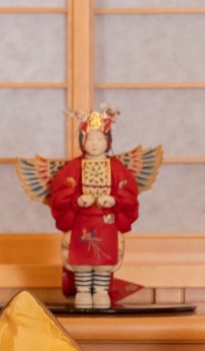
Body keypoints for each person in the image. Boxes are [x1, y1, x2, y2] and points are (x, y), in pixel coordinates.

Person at [49, 105, 140, 309]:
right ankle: (82, 291)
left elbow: (129, 192)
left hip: (106, 221)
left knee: (104, 261)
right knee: (81, 260)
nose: (95, 143)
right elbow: (59, 191)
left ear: (108, 141)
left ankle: (100, 292)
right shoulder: (72, 168)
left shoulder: (117, 167)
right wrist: (76, 201)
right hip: (81, 220)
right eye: (90, 138)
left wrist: (115, 200)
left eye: (100, 139)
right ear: (82, 140)